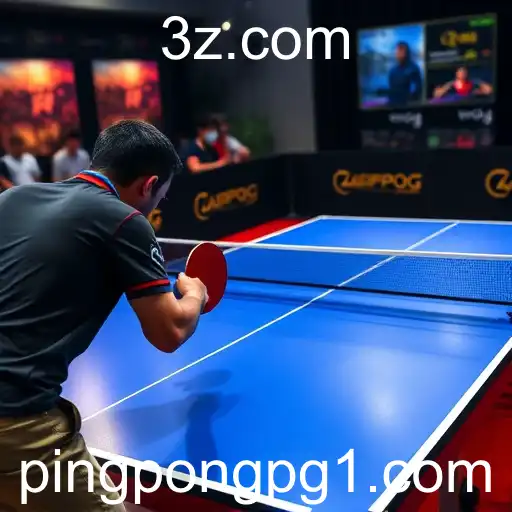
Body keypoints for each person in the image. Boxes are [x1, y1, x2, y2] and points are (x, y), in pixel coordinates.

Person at [0, 119, 208, 511]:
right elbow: (169, 331)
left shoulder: (12, 199)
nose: (156, 205)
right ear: (148, 185)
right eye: (160, 196)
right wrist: (195, 293)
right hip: (17, 418)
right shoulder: (126, 220)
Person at [387, 41, 423, 107]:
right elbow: (391, 90)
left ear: (407, 53)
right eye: (397, 51)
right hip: (393, 105)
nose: (398, 54)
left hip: (408, 105)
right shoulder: (392, 71)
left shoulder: (413, 69)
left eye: (401, 51)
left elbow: (417, 90)